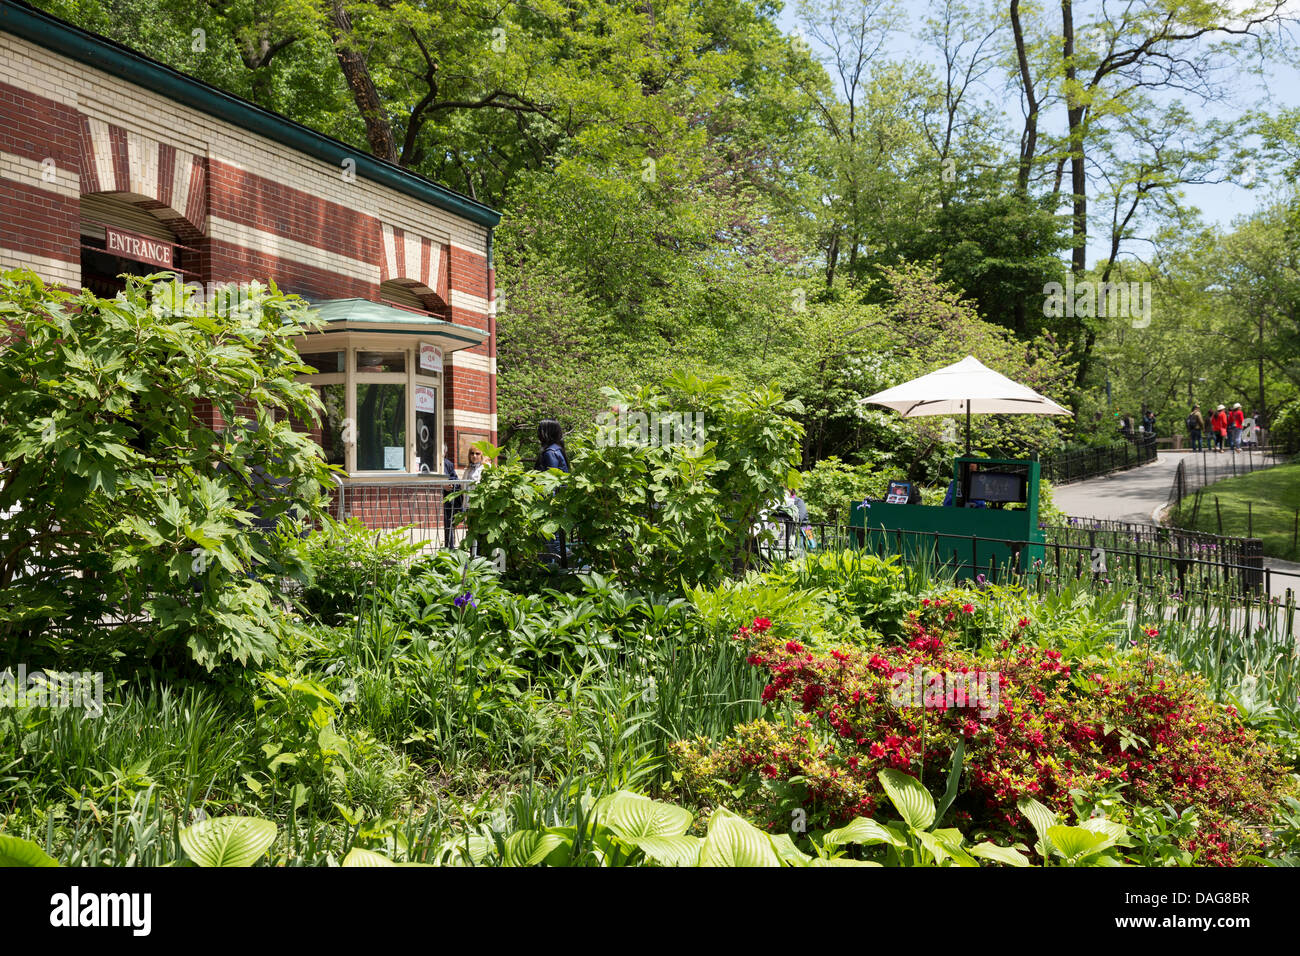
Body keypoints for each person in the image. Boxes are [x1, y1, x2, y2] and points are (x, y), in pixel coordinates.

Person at [535, 420, 570, 562]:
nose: (537, 434)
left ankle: (569, 570)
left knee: (553, 542)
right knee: (555, 541)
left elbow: (551, 480)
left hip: (551, 505)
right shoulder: (557, 449)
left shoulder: (550, 452)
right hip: (559, 502)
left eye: (539, 430)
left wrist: (549, 507)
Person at [442, 444, 459, 548]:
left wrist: (451, 484)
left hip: (447, 500)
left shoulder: (448, 464)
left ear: (445, 453)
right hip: (435, 500)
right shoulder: (429, 464)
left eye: (442, 451)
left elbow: (456, 479)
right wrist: (441, 485)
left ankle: (450, 547)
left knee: (449, 524)